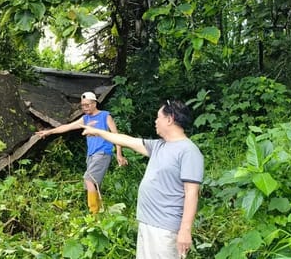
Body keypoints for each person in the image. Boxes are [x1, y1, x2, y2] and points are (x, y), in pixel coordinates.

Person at [82, 99, 204, 259]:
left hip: (165, 230)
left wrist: (185, 230)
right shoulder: (159, 146)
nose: (155, 121)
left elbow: (192, 193)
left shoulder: (189, 151)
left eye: (158, 117)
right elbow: (128, 141)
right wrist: (99, 132)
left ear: (169, 119)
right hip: (147, 223)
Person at [36, 91, 127, 214]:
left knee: (89, 179)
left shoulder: (105, 116)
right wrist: (49, 132)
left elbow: (116, 136)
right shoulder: (85, 119)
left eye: (87, 105)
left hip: (103, 152)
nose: (85, 108)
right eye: (83, 105)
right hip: (91, 155)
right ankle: (100, 212)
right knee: (93, 184)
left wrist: (119, 154)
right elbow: (67, 127)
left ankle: (93, 213)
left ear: (94, 103)